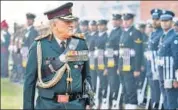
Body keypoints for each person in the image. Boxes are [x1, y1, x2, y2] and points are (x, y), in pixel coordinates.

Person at [23, 2, 94, 109]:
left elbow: (86, 75)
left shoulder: (80, 44)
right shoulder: (39, 46)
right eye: (67, 21)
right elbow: (29, 82)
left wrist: (88, 101)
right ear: (54, 24)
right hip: (48, 105)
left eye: (72, 21)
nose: (72, 24)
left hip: (75, 105)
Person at [118, 8, 143, 109]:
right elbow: (121, 52)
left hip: (131, 65)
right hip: (123, 64)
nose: (126, 22)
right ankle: (127, 105)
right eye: (124, 20)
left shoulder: (136, 32)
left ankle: (132, 106)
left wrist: (137, 69)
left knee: (130, 88)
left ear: (132, 20)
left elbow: (138, 52)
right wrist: (119, 67)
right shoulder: (124, 32)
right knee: (124, 88)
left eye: (128, 20)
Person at [157, 10, 178, 109]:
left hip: (170, 74)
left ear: (172, 22)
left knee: (171, 99)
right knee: (165, 98)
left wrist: (176, 78)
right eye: (162, 21)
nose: (164, 23)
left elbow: (177, 57)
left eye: (167, 21)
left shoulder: (174, 36)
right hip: (162, 72)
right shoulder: (163, 36)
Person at [104, 13, 122, 109]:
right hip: (110, 61)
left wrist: (119, 66)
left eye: (116, 20)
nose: (114, 21)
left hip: (117, 61)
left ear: (120, 21)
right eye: (113, 20)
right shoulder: (111, 32)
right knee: (111, 83)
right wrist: (107, 66)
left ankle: (117, 102)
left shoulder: (121, 32)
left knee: (115, 84)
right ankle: (113, 102)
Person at [146, 9, 163, 109]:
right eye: (153, 19)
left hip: (157, 69)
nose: (154, 21)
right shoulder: (153, 33)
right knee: (153, 92)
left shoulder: (161, 34)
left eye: (157, 19)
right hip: (150, 68)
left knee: (158, 93)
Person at [94, 19, 108, 109]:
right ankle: (97, 101)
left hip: (102, 61)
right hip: (95, 61)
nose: (100, 27)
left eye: (102, 25)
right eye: (98, 25)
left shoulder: (107, 36)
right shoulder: (96, 35)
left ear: (105, 26)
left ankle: (104, 101)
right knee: (96, 83)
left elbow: (108, 53)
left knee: (103, 83)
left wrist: (107, 67)